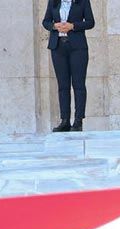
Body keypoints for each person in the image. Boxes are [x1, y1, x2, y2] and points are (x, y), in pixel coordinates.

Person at [42, 0, 94, 132]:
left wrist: (73, 26)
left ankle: (78, 120)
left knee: (78, 85)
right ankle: (65, 120)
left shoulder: (82, 2)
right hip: (58, 47)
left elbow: (90, 22)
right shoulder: (53, 2)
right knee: (63, 85)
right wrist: (54, 26)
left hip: (78, 48)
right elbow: (45, 21)